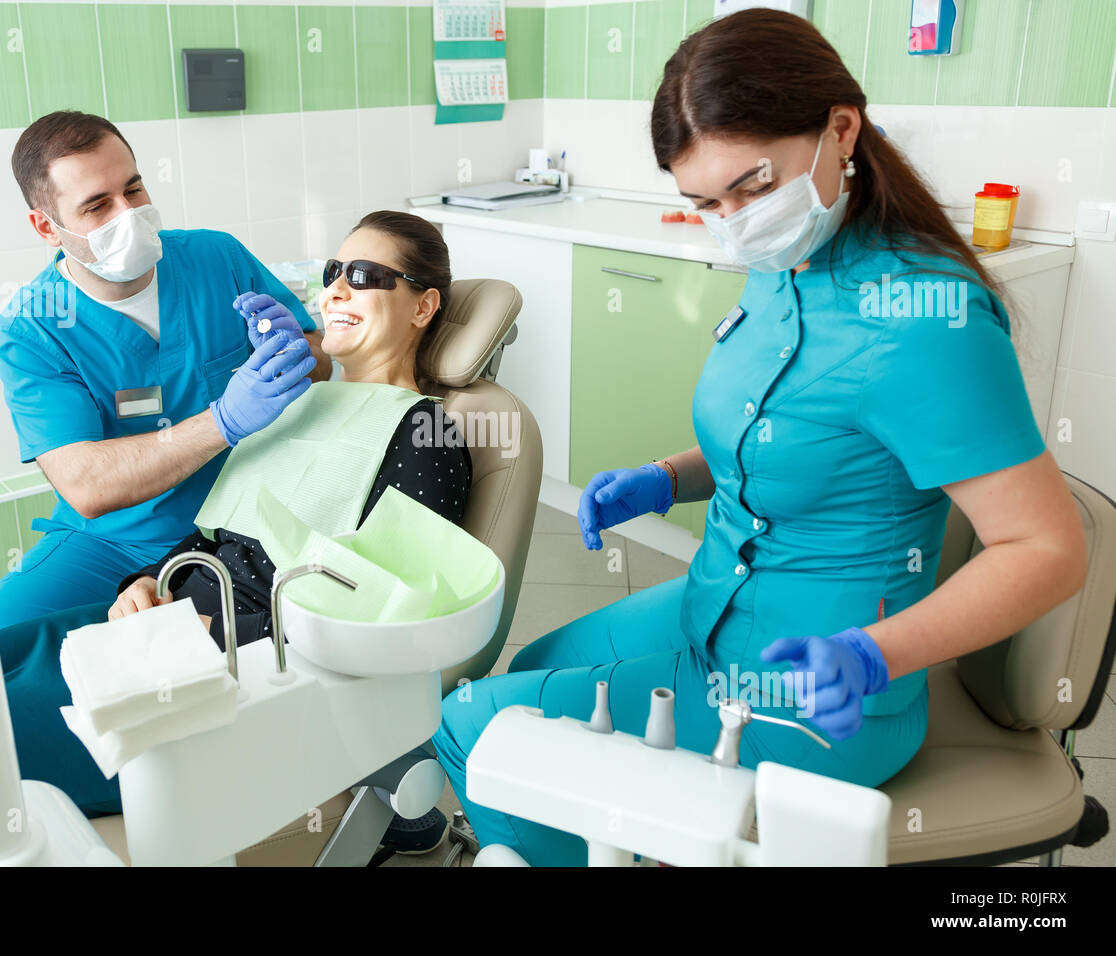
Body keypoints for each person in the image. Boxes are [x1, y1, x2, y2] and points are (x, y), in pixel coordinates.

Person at [432, 9, 1088, 866]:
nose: (734, 219)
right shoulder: (786, 263)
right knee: (543, 656)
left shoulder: (924, 321)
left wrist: (871, 656)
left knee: (476, 726)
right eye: (703, 202)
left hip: (824, 684)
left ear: (840, 129)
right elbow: (789, 441)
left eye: (750, 185)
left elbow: (1048, 546)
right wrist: (666, 479)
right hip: (716, 605)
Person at [0, 212, 470, 860]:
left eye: (364, 275)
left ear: (423, 306)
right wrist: (141, 585)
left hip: (225, 675)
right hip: (155, 626)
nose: (335, 291)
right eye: (331, 273)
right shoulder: (293, 403)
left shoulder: (422, 435)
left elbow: (387, 610)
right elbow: (215, 536)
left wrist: (234, 634)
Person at [0, 110, 332, 631]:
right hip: (107, 542)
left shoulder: (217, 258)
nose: (128, 213)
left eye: (134, 189)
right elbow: (87, 485)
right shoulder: (33, 328)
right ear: (46, 227)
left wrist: (301, 354)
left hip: (242, 523)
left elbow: (320, 361)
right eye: (97, 206)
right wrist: (224, 421)